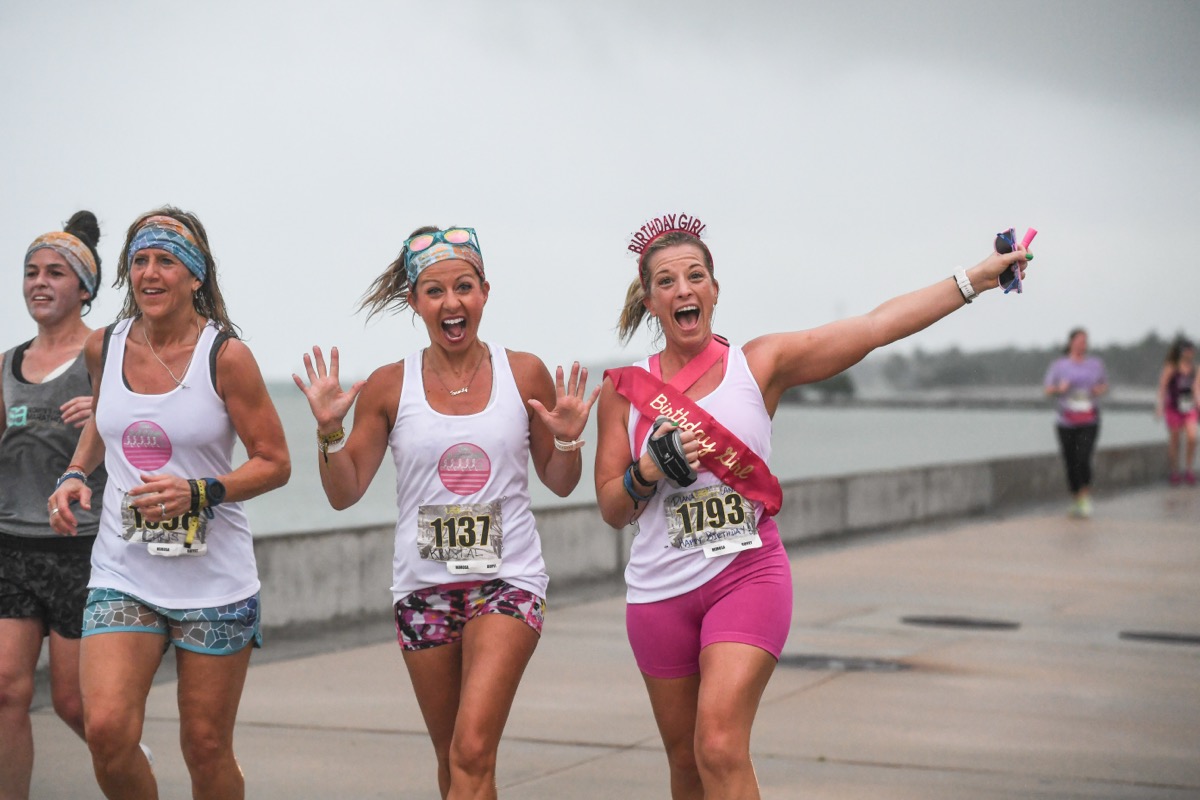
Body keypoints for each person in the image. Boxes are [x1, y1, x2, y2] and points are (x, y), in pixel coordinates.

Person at [594, 213, 1032, 799]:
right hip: (658, 594)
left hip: (745, 577)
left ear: (715, 290)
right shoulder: (621, 393)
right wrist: (647, 472)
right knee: (686, 766)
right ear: (650, 301)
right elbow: (610, 507)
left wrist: (976, 277)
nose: (684, 290)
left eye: (695, 276)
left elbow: (875, 326)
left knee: (719, 746)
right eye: (667, 282)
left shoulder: (760, 366)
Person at [293, 225, 598, 800]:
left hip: (508, 582)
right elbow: (344, 491)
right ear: (415, 302)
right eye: (435, 292)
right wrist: (329, 431)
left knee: (472, 749)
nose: (451, 303)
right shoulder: (388, 385)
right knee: (453, 759)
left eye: (464, 287)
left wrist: (567, 441)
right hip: (422, 590)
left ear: (485, 292)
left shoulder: (523, 372)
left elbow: (560, 483)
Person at [47, 207, 290, 800]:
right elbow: (108, 420)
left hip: (214, 582)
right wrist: (77, 472)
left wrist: (200, 491)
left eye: (167, 261)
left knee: (205, 748)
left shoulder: (225, 357)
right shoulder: (105, 345)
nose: (150, 274)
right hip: (124, 571)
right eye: (140, 261)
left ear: (196, 275)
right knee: (105, 730)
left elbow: (275, 461)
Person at [0, 211, 105, 800]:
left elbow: (155, 430)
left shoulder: (109, 355)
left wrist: (109, 416)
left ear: (84, 287)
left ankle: (128, 767)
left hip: (81, 549)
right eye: (30, 272)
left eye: (56, 273)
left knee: (71, 702)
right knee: (6, 691)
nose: (39, 282)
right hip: (10, 545)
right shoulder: (6, 365)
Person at [1043, 328, 1108, 517]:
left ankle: (1085, 497)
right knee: (1070, 461)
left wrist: (1099, 390)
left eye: (1085, 341)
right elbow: (1047, 390)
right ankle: (1076, 498)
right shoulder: (1059, 365)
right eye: (1079, 340)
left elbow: (1104, 384)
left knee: (1083, 457)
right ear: (1071, 342)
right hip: (1066, 420)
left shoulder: (1096, 364)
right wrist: (1059, 389)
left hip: (1089, 418)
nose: (1082, 344)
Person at [1155, 337, 1199, 485]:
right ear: (1181, 351)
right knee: (1175, 439)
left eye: (1191, 350)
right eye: (1187, 350)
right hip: (1173, 407)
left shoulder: (1195, 369)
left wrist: (1198, 404)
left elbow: (1196, 389)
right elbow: (1162, 388)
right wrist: (1159, 407)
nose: (1190, 353)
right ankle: (1175, 470)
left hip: (1189, 408)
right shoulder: (1171, 367)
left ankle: (1189, 469)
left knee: (1192, 437)